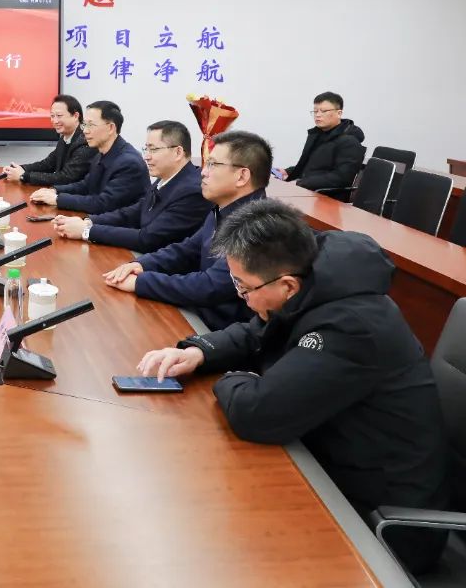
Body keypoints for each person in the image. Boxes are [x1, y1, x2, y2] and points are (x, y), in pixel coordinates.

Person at [136, 200, 450, 575]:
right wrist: (199, 352)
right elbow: (257, 331)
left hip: (382, 519)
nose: (241, 297)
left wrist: (234, 377)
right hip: (331, 463)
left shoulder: (353, 327)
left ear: (287, 285)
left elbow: (257, 414)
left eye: (244, 288)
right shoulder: (310, 279)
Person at [103, 130, 271, 331]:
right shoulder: (223, 208)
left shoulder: (258, 226)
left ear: (242, 176)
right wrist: (141, 264)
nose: (203, 172)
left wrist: (141, 282)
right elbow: (187, 249)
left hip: (221, 331)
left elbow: (210, 286)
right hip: (198, 312)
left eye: (213, 164)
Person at [53, 120, 211, 252]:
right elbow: (135, 212)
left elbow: (148, 239)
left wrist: (87, 231)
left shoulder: (193, 191)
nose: (147, 157)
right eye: (146, 149)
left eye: (153, 149)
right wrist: (89, 221)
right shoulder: (166, 178)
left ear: (178, 152)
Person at [28, 100, 148, 214]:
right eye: (84, 124)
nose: (85, 131)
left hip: (120, 225)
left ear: (111, 128)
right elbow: (85, 185)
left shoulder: (129, 163)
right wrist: (54, 190)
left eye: (91, 125)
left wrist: (57, 199)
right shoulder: (101, 153)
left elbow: (103, 204)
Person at [283, 91, 365, 200]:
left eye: (323, 111)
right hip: (308, 192)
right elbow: (311, 165)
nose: (318, 115)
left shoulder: (350, 142)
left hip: (327, 198)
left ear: (339, 113)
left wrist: (300, 183)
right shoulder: (317, 134)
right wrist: (287, 171)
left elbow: (341, 178)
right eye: (315, 111)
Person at [2, 94, 96, 186]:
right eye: (52, 116)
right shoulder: (65, 137)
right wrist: (19, 169)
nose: (55, 121)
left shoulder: (85, 141)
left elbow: (66, 177)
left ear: (75, 116)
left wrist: (23, 176)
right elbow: (47, 164)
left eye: (59, 115)